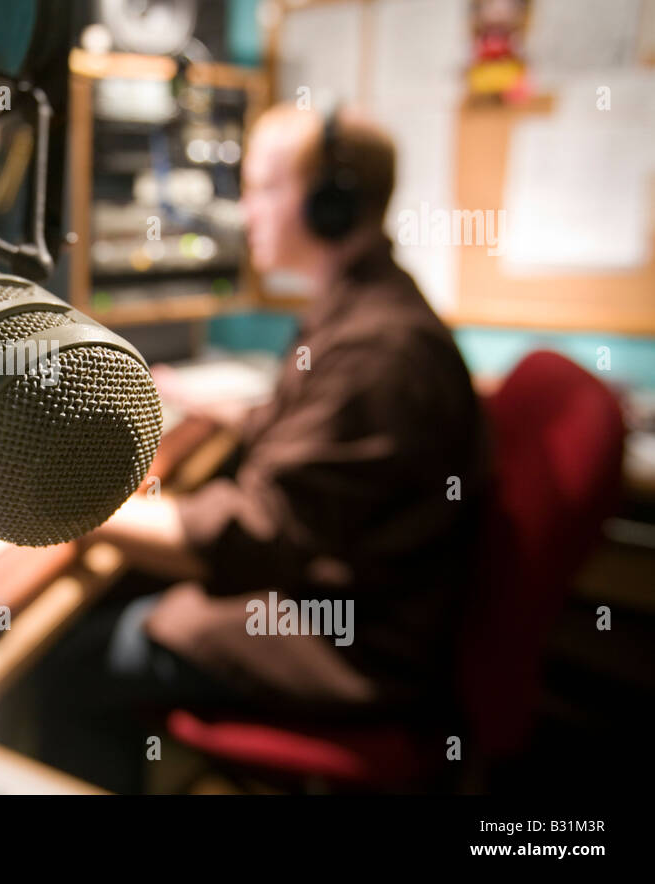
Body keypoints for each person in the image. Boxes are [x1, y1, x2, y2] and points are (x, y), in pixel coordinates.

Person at [35, 103, 491, 793]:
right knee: (124, 592)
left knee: (67, 666)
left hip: (350, 643)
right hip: (355, 596)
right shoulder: (364, 306)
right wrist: (236, 414)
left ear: (328, 203)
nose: (243, 210)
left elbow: (253, 533)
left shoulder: (378, 347)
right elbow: (321, 438)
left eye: (261, 187)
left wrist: (59, 502)